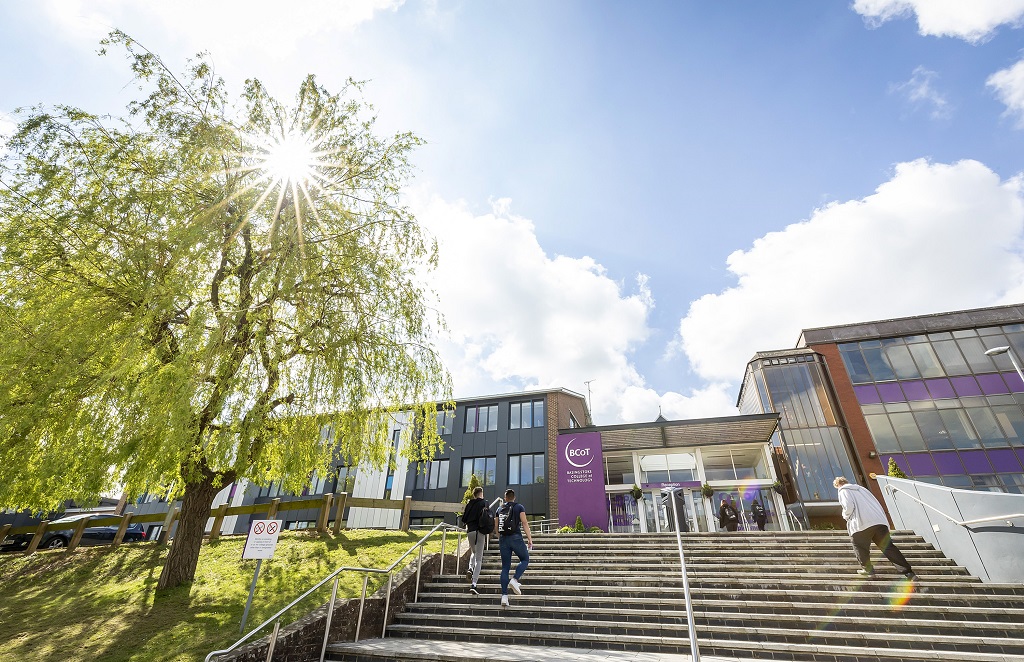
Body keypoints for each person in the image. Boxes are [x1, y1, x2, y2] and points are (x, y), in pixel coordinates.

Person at [833, 476, 917, 581]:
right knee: (888, 547)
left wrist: (845, 516)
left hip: (861, 523)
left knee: (859, 545)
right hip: (879, 521)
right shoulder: (863, 489)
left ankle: (868, 570)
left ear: (838, 485)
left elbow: (848, 506)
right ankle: (909, 573)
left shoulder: (843, 491)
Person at [496, 488, 533, 607]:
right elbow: (524, 523)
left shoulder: (499, 509)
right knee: (525, 559)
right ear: (514, 497)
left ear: (505, 497)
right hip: (516, 537)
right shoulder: (519, 507)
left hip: (503, 539)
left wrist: (500, 537)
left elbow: (496, 526)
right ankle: (515, 579)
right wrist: (530, 539)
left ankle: (504, 596)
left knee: (505, 567)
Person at [460, 486, 490, 595]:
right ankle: (474, 584)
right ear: (481, 493)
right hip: (479, 532)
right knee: (479, 559)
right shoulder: (484, 503)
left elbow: (463, 519)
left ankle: (470, 569)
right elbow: (487, 516)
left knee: (473, 552)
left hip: (470, 531)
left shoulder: (469, 504)